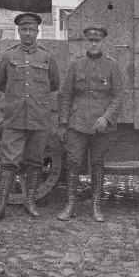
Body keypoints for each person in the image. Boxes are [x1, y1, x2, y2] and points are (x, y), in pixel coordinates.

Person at [0, 12, 59, 222]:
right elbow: (0, 82)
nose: (28, 33)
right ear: (19, 31)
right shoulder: (9, 56)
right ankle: (0, 205)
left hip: (38, 116)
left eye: (32, 30)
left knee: (36, 161)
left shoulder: (47, 57)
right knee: (9, 161)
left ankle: (30, 201)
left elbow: (54, 84)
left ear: (38, 32)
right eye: (24, 30)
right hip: (16, 116)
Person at [56, 27, 123, 222]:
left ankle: (96, 206)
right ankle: (70, 205)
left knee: (97, 164)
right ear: (86, 41)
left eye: (98, 40)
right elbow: (66, 95)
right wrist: (63, 123)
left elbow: (118, 96)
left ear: (103, 42)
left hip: (101, 124)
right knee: (73, 163)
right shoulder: (76, 64)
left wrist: (106, 118)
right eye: (91, 40)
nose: (94, 43)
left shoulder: (111, 66)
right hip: (78, 123)